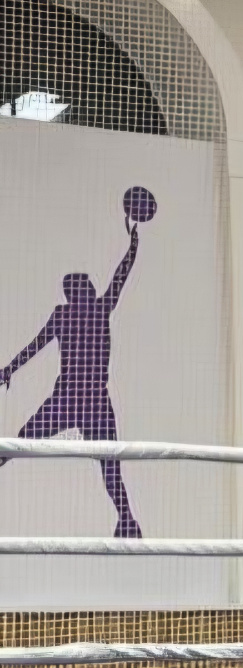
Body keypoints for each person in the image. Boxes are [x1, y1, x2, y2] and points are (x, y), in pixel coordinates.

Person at [0, 214, 144, 538]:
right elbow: (36, 345)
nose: (89, 290)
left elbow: (120, 276)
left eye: (88, 287)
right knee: (25, 436)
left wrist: (133, 246)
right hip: (71, 398)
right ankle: (126, 519)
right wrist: (9, 369)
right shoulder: (72, 314)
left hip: (91, 400)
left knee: (109, 465)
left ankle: (126, 520)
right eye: (84, 287)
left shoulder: (97, 308)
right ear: (74, 293)